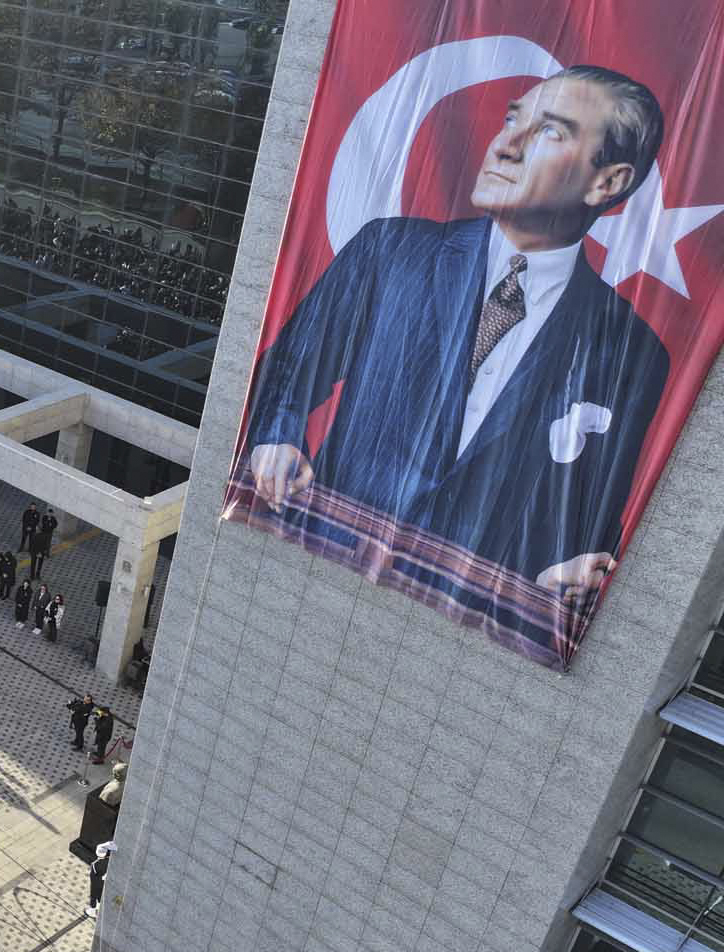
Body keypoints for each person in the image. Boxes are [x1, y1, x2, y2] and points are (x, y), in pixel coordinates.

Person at [240, 66, 669, 600]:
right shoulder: (390, 252)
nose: (505, 145)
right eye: (514, 118)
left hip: (468, 611)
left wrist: (562, 576)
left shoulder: (631, 349)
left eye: (550, 132)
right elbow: (288, 372)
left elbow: (590, 508)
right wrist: (276, 437)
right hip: (323, 561)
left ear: (608, 181)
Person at [87, 840, 116, 918]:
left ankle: (92, 910)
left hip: (97, 882)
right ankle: (98, 909)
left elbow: (93, 878)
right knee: (100, 896)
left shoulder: (95, 864)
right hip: (105, 882)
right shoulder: (109, 861)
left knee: (94, 895)